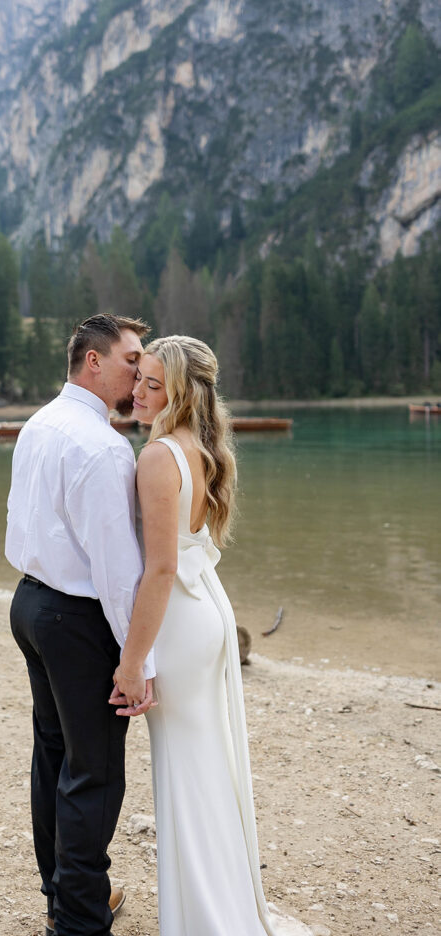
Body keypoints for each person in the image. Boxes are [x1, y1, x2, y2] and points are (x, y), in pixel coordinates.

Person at [109, 335, 311, 936]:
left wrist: (131, 660)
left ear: (179, 392)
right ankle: (216, 907)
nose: (138, 393)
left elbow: (162, 568)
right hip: (208, 614)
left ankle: (206, 920)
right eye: (138, 379)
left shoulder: (156, 457)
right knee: (208, 765)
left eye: (152, 384)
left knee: (187, 772)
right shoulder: (198, 447)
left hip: (181, 621)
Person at [6, 313, 155, 936]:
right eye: (131, 360)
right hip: (76, 618)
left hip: (32, 606)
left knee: (55, 757)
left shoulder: (41, 423)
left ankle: (66, 894)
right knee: (92, 772)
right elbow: (119, 572)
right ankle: (79, 923)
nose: (140, 372)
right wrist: (135, 663)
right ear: (93, 362)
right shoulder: (100, 445)